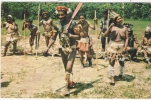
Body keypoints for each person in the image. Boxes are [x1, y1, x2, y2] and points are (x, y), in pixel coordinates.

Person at [43, 6, 80, 95]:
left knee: (68, 67)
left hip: (72, 47)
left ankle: (66, 87)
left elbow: (79, 36)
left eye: (62, 14)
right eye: (59, 15)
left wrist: (70, 35)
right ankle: (69, 81)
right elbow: (53, 37)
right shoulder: (57, 24)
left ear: (66, 14)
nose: (60, 16)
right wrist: (47, 48)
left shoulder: (73, 23)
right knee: (66, 68)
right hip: (62, 47)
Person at [103, 14, 129, 85]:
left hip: (121, 46)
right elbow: (104, 35)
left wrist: (125, 47)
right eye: (118, 19)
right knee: (112, 62)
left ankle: (120, 74)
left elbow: (127, 38)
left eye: (121, 18)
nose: (120, 20)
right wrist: (109, 27)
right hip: (113, 45)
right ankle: (112, 78)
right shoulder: (112, 27)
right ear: (115, 20)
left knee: (121, 62)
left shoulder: (125, 28)